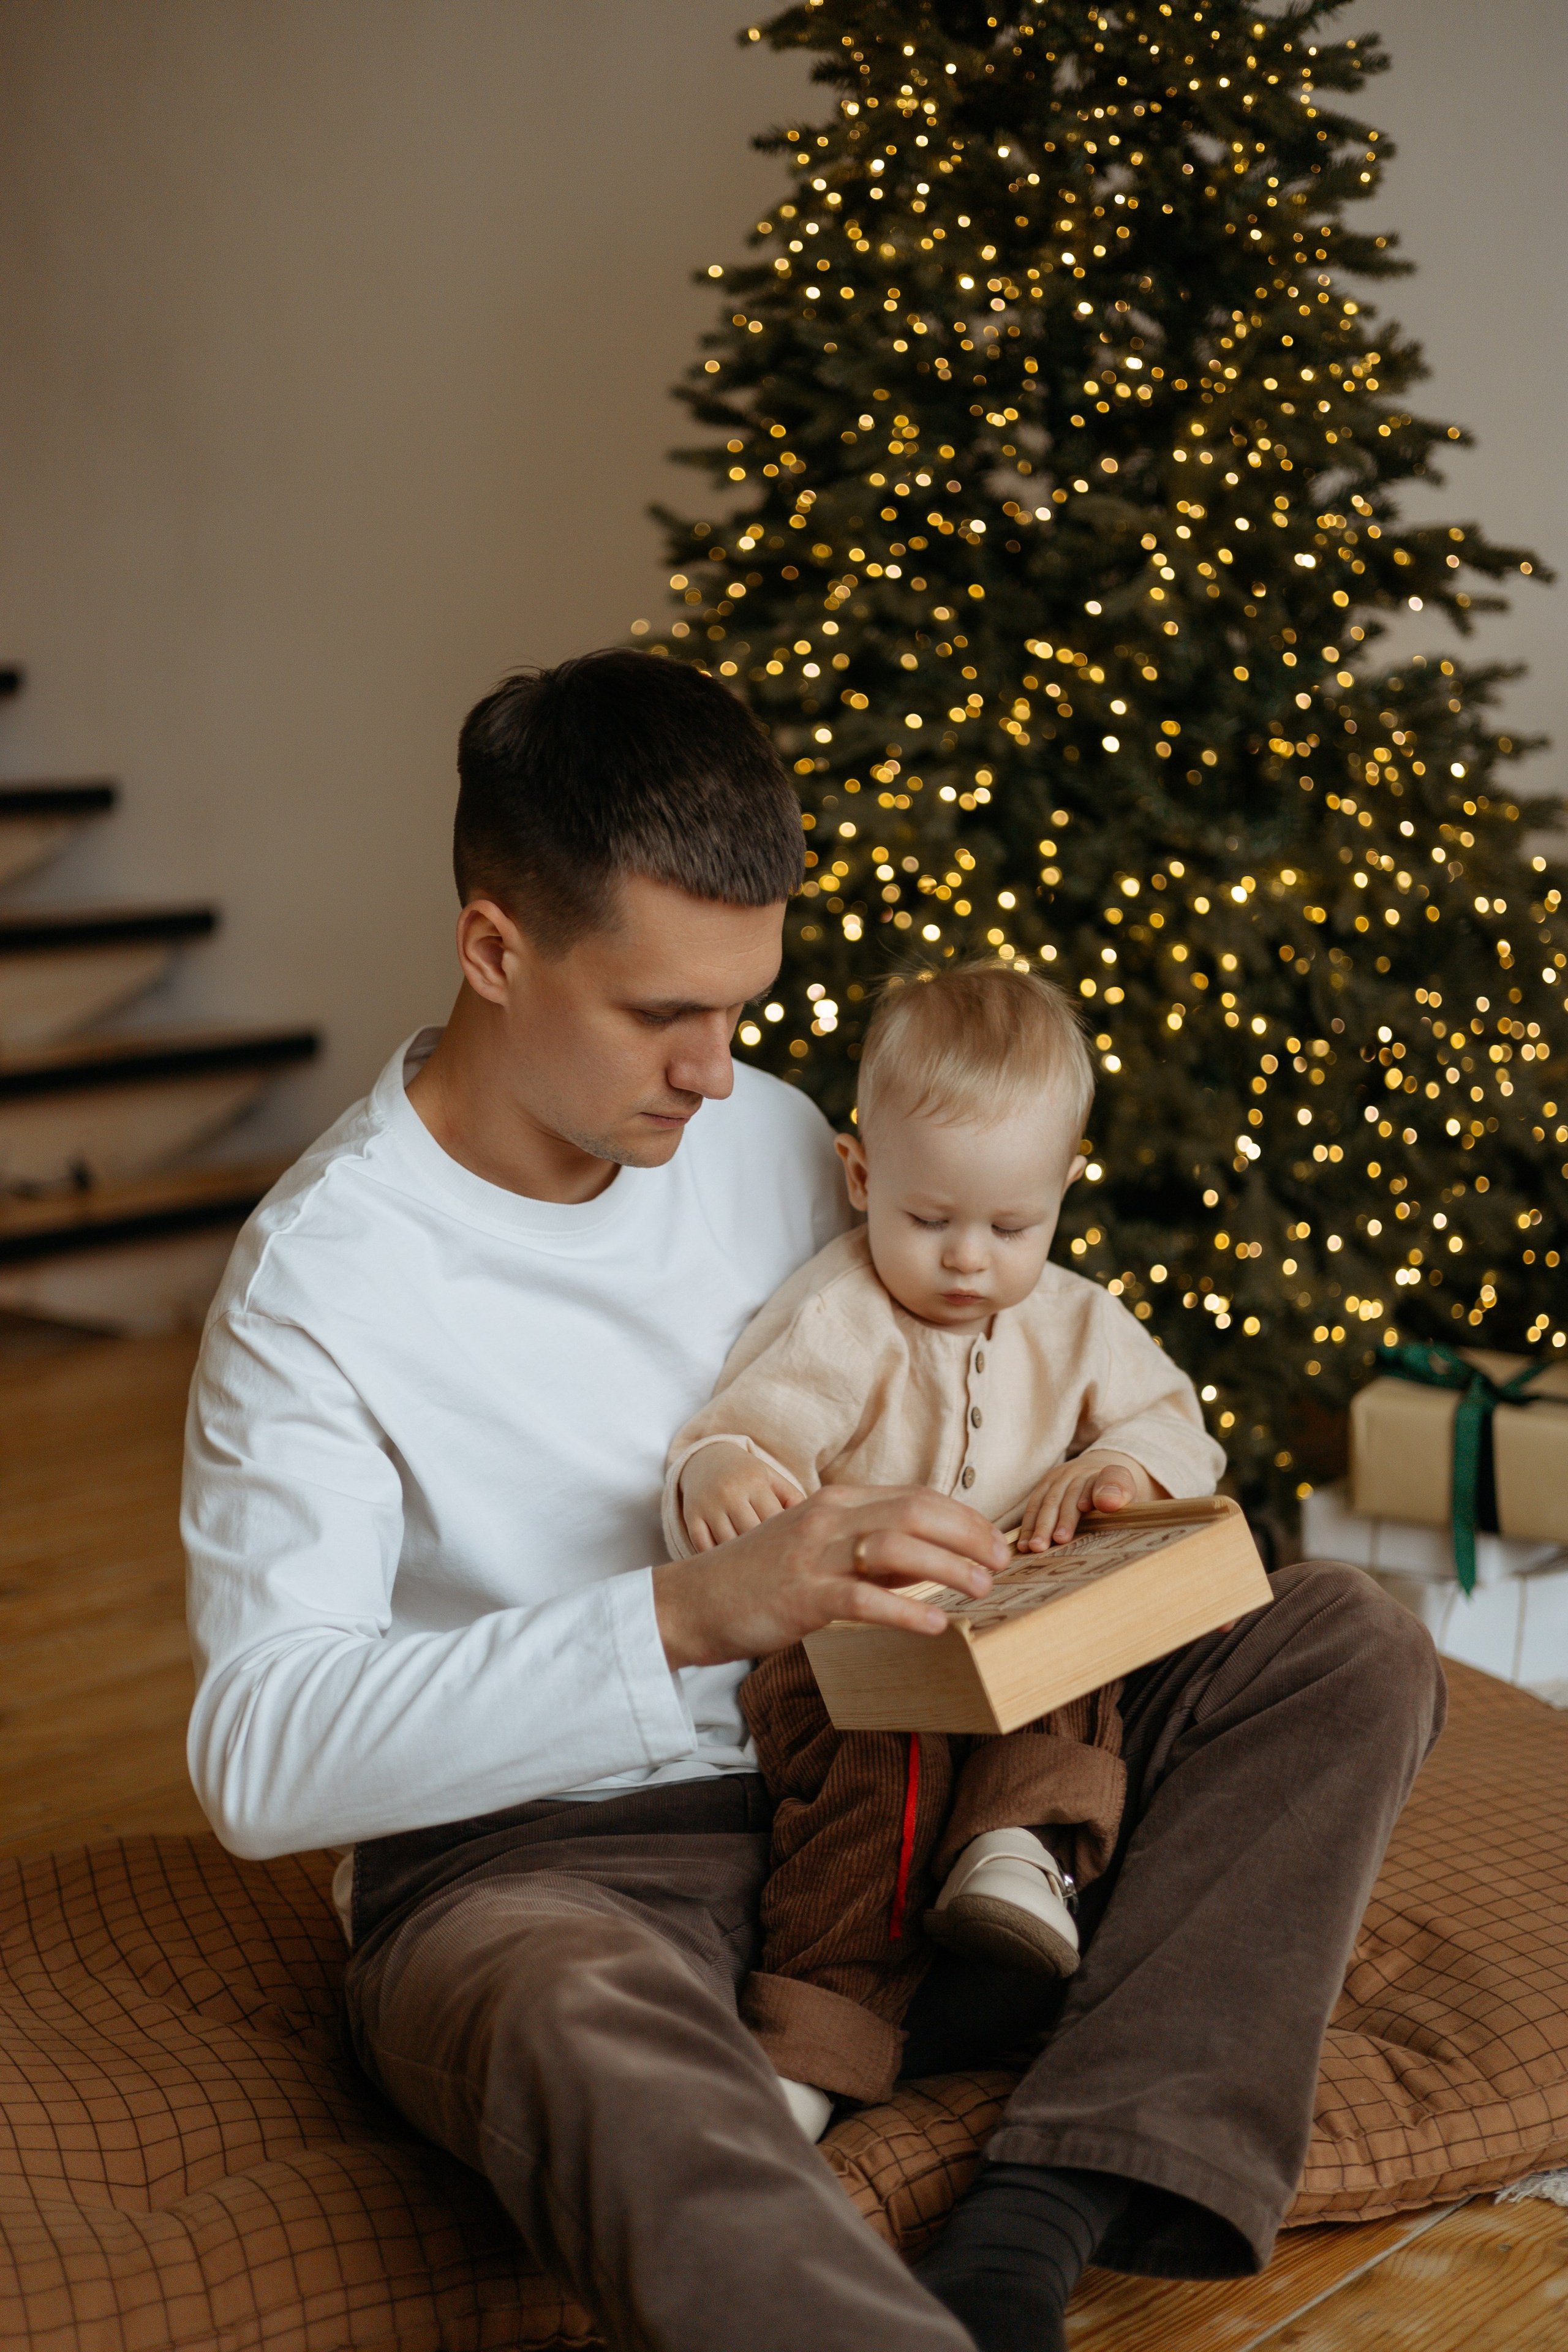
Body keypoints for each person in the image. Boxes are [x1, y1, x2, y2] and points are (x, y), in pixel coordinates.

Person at [184, 649, 1445, 2352]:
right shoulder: (321, 1279)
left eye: (743, 1010)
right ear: (495, 948)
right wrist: (703, 1604)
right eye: (660, 1015)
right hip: (561, 1859)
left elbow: (1012, 1352)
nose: (717, 1073)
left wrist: (1085, 1511)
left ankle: (1048, 2203)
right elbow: (261, 1754)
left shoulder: (783, 1140)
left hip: (901, 1760)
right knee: (570, 2020)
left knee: (1337, 1641)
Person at [663, 962, 1226, 2143]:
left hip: (1012, 1636)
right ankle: (815, 2046)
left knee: (1073, 1654)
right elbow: (741, 1432)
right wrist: (719, 1474)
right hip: (853, 1664)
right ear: (863, 1177)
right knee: (871, 1792)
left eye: (1012, 1226)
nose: (970, 1259)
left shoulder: (1076, 1322)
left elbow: (1179, 1428)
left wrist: (1121, 1471)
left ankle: (1020, 1855)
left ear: (1064, 1193)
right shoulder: (841, 1316)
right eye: (930, 1221)